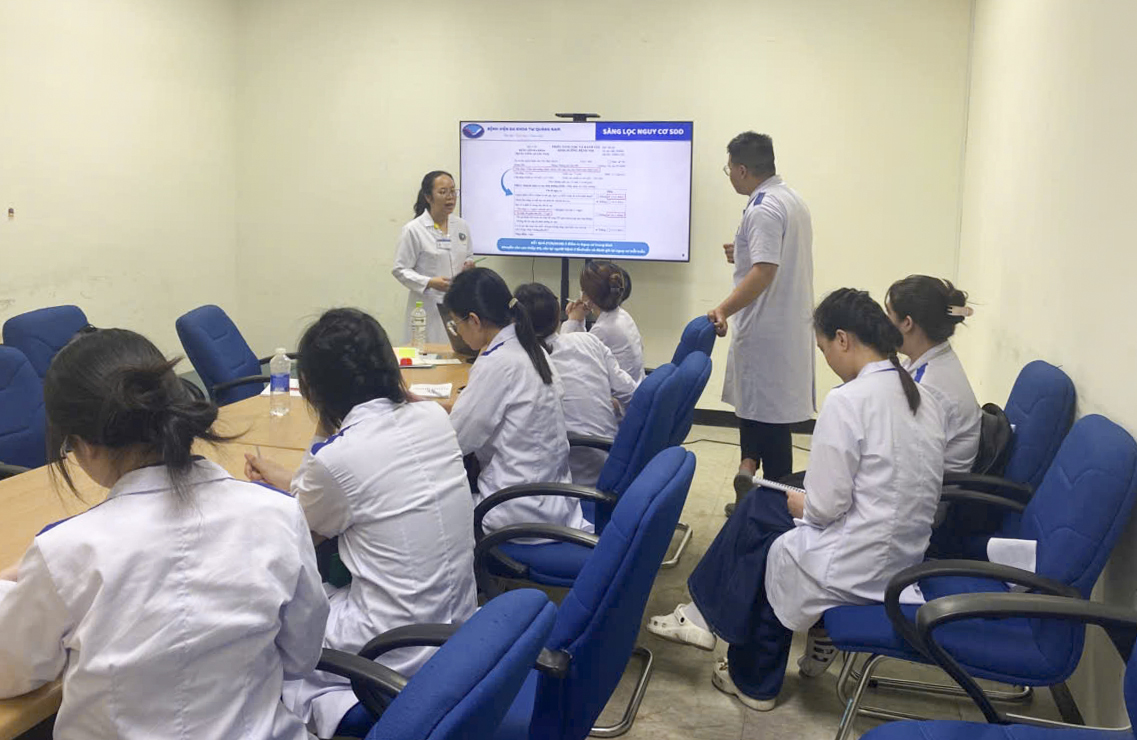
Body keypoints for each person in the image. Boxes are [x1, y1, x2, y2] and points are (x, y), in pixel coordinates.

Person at [0, 329, 328, 740]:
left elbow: (10, 673)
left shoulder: (66, 552)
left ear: (84, 446)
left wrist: (11, 582)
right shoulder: (277, 514)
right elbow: (301, 657)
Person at [647, 289, 945, 711]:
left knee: (768, 536)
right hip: (903, 555)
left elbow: (824, 508)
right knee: (765, 500)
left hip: (860, 560)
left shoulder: (848, 401)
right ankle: (704, 619)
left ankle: (752, 680)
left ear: (843, 339)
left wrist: (800, 505)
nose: (826, 359)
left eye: (824, 349)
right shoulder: (921, 395)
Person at [244, 308, 478, 739]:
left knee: (263, 621)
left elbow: (300, 532)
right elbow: (349, 487)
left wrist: (321, 422)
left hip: (390, 649)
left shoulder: (336, 459)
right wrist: (289, 477)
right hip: (455, 629)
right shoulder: (433, 417)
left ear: (315, 388)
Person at [711, 132, 815, 515]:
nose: (730, 176)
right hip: (784, 328)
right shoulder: (790, 199)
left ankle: (771, 510)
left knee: (768, 426)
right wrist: (741, 253)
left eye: (729, 170)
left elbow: (764, 272)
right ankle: (753, 485)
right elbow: (769, 259)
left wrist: (723, 310)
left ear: (742, 169)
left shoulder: (763, 209)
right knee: (763, 417)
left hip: (766, 334)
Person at [444, 268, 589, 534]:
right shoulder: (530, 348)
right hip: (552, 499)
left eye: (456, 324)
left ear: (474, 320)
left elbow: (455, 442)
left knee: (431, 506)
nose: (458, 332)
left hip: (516, 510)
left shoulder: (497, 362)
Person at [514, 282, 639, 487]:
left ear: (515, 323)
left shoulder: (521, 363)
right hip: (614, 459)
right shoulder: (589, 341)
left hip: (570, 478)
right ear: (557, 316)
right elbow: (632, 393)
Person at [886, 275, 980, 473]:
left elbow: (903, 460)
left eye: (889, 314)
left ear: (907, 323)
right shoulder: (933, 358)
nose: (884, 323)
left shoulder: (926, 387)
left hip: (935, 488)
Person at [391, 170, 474, 344]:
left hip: (457, 305)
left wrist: (468, 265)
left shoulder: (461, 226)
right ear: (428, 197)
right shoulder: (414, 230)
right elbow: (400, 269)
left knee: (458, 351)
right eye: (443, 192)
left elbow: (468, 255)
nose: (450, 197)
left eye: (453, 191)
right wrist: (429, 282)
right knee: (428, 352)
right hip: (427, 307)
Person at [563, 260, 645, 382]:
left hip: (619, 393)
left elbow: (567, 359)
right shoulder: (623, 315)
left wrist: (572, 320)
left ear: (586, 296)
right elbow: (584, 345)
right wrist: (580, 319)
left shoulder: (603, 329)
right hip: (635, 386)